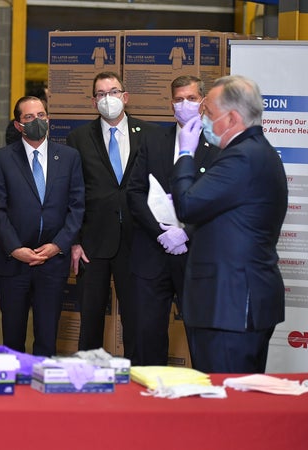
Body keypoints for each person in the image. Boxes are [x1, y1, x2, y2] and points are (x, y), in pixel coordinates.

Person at [171, 75, 288, 373]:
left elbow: (186, 204)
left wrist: (185, 152)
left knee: (226, 407)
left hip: (230, 306)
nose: (202, 120)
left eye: (208, 113)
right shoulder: (255, 153)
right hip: (230, 303)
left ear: (233, 117)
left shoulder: (242, 158)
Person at [125, 75, 218, 366]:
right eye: (178, 99)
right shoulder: (153, 140)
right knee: (147, 334)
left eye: (191, 98)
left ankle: (204, 399)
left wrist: (185, 233)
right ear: (170, 104)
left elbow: (219, 199)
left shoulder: (217, 143)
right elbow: (135, 191)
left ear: (203, 102)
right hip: (153, 253)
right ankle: (149, 401)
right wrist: (161, 233)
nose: (184, 105)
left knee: (201, 335)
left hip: (196, 256)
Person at [66, 71, 157, 358]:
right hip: (94, 242)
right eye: (102, 94)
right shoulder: (78, 138)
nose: (109, 99)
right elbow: (73, 193)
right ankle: (89, 377)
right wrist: (75, 241)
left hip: (137, 241)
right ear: (94, 102)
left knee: (136, 318)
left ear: (125, 97)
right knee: (90, 317)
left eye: (114, 92)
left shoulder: (151, 135)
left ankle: (135, 376)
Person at [0, 96, 85, 356]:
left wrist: (58, 245)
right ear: (18, 124)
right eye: (29, 117)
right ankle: (14, 390)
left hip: (52, 261)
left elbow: (77, 207)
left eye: (41, 115)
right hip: (13, 262)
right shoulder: (2, 159)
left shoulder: (69, 157)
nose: (36, 121)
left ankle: (43, 389)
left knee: (47, 335)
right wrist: (15, 248)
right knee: (13, 336)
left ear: (48, 119)